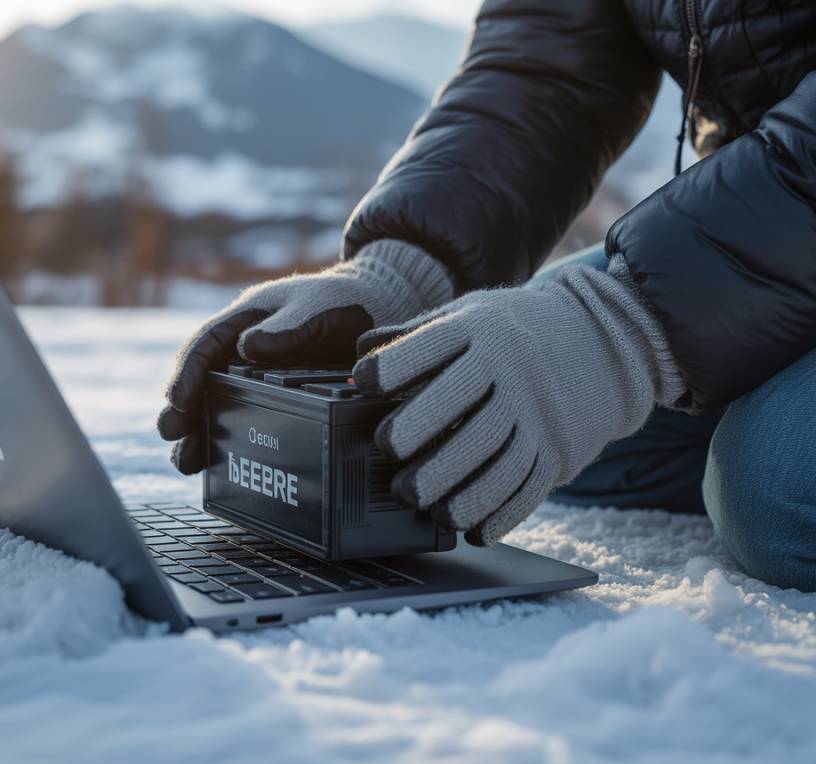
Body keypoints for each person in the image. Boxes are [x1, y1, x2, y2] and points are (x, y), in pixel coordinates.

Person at [158, 1, 816, 591]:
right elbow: (541, 74)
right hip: (770, 224)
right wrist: (399, 275)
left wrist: (625, 331)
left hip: (776, 217)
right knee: (482, 397)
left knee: (771, 492)